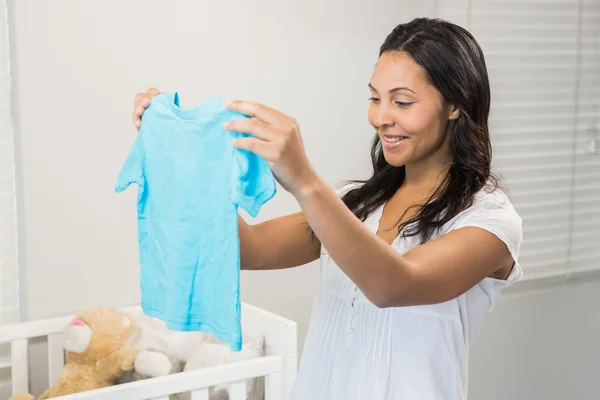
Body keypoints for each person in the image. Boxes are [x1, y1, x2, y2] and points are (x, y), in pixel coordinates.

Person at [130, 17, 522, 400]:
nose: (381, 118)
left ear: (455, 104)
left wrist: (305, 181)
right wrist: (182, 149)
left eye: (401, 101)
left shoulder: (489, 222)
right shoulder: (356, 203)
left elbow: (393, 285)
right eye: (374, 98)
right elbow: (243, 248)